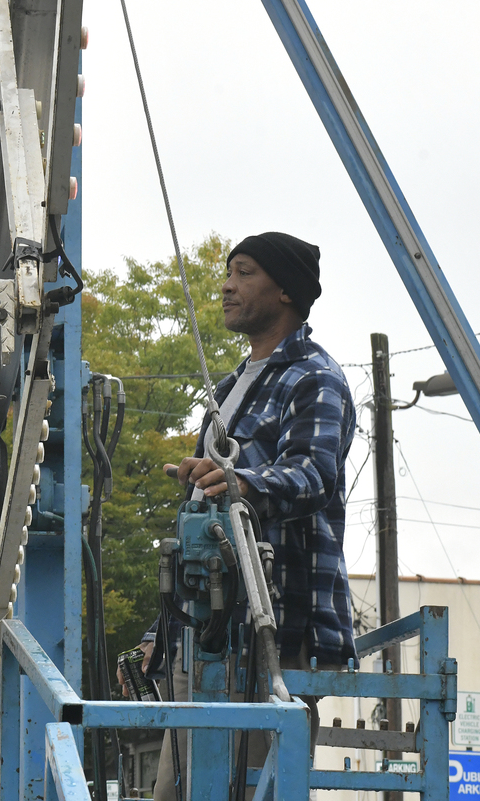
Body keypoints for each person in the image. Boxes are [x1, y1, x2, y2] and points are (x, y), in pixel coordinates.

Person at [129, 232, 357, 801]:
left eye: (245, 272)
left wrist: (241, 483)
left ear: (286, 291)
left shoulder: (315, 378)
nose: (228, 286)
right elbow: (198, 525)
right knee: (177, 792)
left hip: (275, 627)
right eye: (228, 272)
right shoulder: (230, 390)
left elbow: (313, 475)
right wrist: (162, 633)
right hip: (205, 633)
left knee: (251, 789)